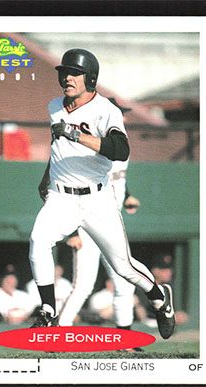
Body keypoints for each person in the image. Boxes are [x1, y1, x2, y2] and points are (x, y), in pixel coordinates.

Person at [28, 48, 175, 339]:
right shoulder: (54, 106)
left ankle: (159, 296)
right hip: (61, 196)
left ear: (91, 78)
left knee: (123, 267)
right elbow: (58, 146)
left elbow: (121, 150)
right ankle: (47, 311)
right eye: (64, 72)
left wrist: (76, 134)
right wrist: (46, 176)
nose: (67, 78)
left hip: (96, 198)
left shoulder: (106, 109)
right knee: (38, 241)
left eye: (75, 73)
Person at [58, 98, 140, 331]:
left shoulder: (118, 144)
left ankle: (125, 338)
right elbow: (73, 187)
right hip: (87, 223)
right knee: (83, 285)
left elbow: (114, 178)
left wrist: (127, 196)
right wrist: (72, 230)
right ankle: (59, 332)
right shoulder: (89, 144)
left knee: (125, 282)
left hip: (111, 223)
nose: (124, 118)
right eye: (119, 114)